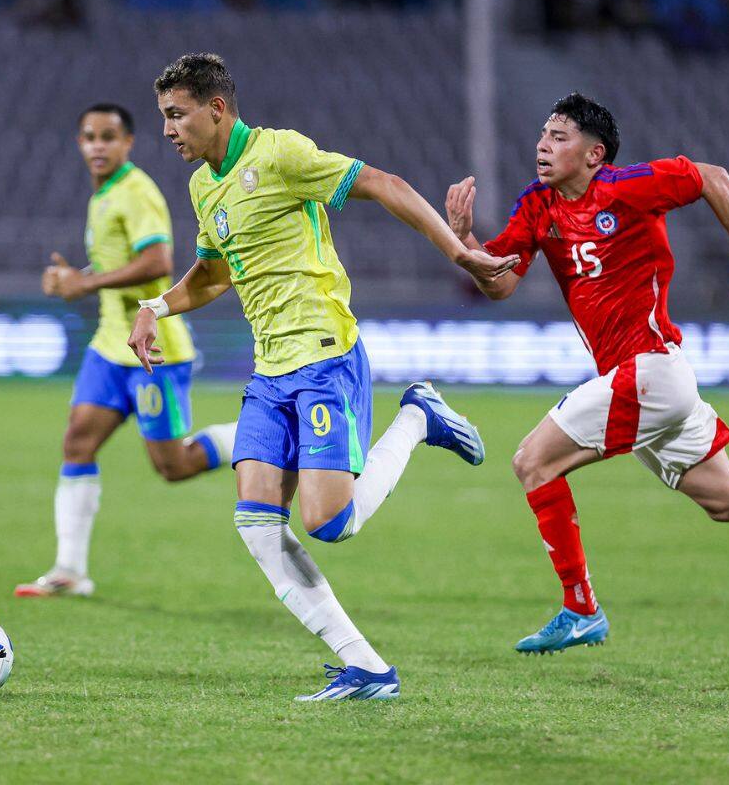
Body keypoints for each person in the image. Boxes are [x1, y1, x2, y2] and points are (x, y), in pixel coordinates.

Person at [444, 93, 729, 655]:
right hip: (649, 383)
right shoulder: (538, 205)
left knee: (532, 461)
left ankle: (581, 608)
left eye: (559, 137)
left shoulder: (626, 187)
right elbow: (500, 283)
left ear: (594, 154)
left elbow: (712, 177)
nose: (543, 145)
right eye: (544, 134)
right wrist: (464, 240)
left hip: (651, 371)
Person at [128, 54, 518, 700]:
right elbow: (215, 273)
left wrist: (459, 253)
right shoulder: (203, 186)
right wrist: (155, 306)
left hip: (323, 356)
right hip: (269, 370)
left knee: (329, 523)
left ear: (216, 109)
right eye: (163, 116)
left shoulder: (281, 154)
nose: (168, 129)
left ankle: (418, 417)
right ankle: (367, 668)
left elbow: (385, 184)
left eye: (177, 114)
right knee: (256, 521)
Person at [15, 103, 237, 599]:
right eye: (89, 136)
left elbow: (158, 262)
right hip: (109, 347)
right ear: (79, 143)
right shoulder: (103, 195)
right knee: (77, 443)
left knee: (173, 466)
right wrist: (74, 278)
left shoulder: (137, 192)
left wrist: (85, 283)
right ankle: (69, 570)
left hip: (154, 352)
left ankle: (253, 436)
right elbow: (116, 263)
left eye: (108, 137)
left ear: (128, 143)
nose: (98, 145)